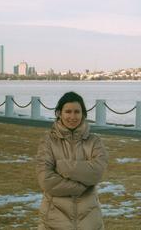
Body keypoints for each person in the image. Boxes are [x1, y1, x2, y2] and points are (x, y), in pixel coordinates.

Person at [36, 92, 108, 230]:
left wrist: (63, 167)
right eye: (68, 111)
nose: (72, 116)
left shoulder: (94, 142)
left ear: (83, 114)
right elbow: (45, 180)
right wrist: (82, 186)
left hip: (90, 221)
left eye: (77, 112)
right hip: (53, 221)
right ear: (59, 113)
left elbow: (98, 173)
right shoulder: (48, 142)